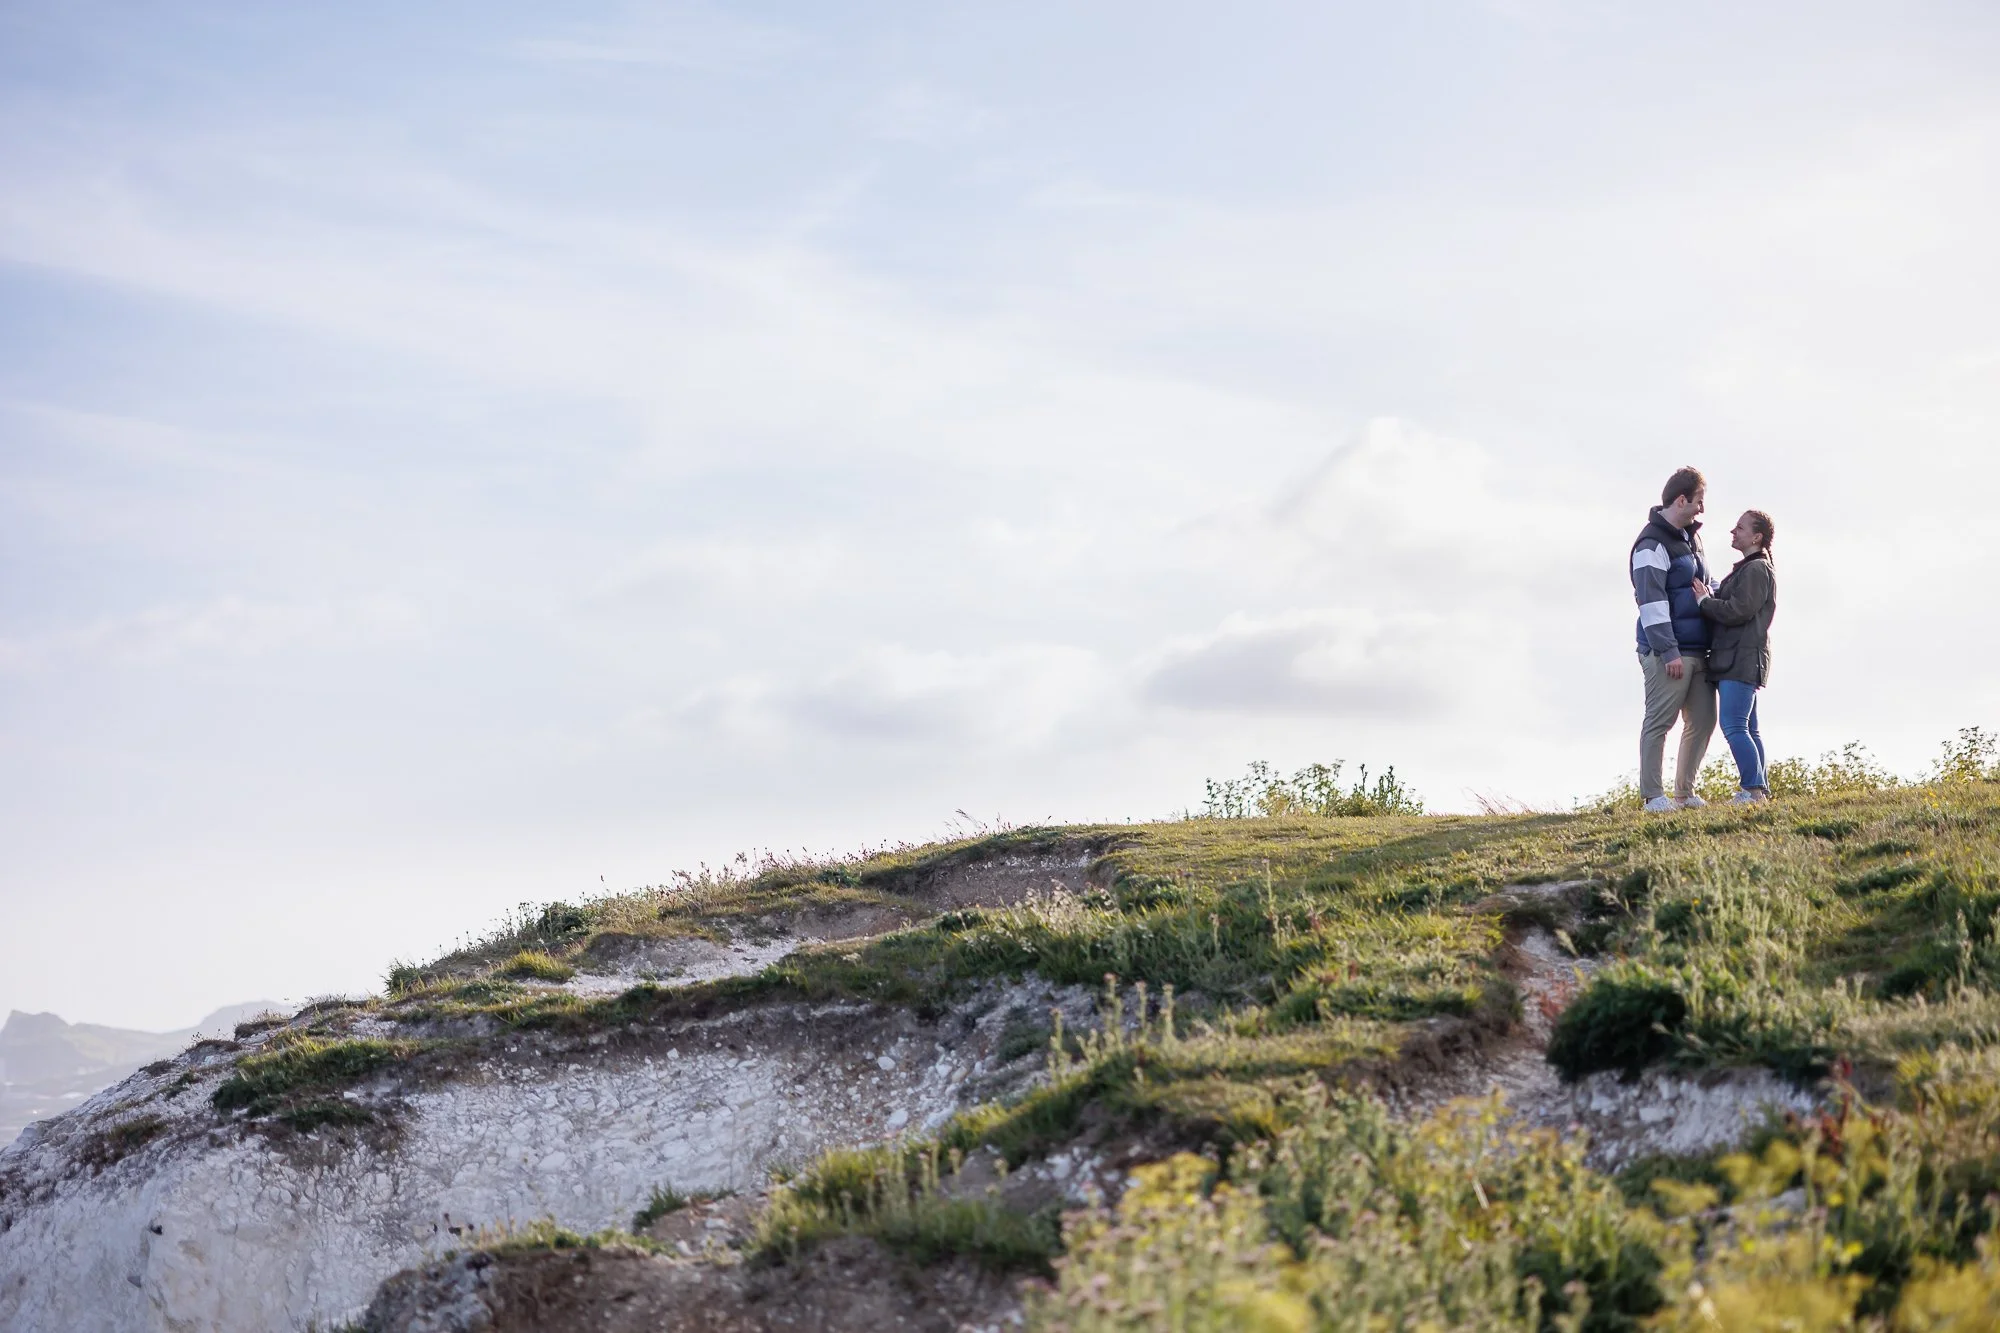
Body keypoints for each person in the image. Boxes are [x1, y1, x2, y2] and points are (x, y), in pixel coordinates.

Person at [1631, 467, 1716, 812]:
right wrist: (1668, 651)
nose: (1701, 510)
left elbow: (1698, 587)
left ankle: (1684, 792)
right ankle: (1653, 796)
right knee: (1660, 721)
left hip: (1698, 647)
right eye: (1698, 502)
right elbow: (1650, 601)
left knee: (1704, 720)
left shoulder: (1691, 539)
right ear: (1681, 500)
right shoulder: (1651, 543)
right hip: (1669, 651)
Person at [1692, 511, 1777, 804]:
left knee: (1734, 725)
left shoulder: (1756, 570)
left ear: (1757, 537)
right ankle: (1759, 791)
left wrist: (1705, 602)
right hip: (1742, 657)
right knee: (1748, 727)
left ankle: (1753, 790)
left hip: (1740, 659)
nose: (1733, 531)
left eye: (1740, 528)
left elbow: (1738, 610)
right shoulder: (1752, 569)